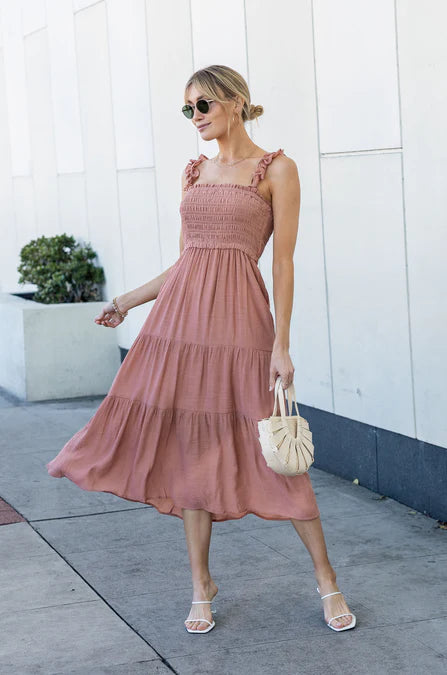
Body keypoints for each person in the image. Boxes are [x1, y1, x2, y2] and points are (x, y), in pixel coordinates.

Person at [46, 64, 355, 635]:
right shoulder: (194, 172)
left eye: (204, 105)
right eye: (188, 109)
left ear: (236, 102)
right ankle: (201, 585)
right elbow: (189, 260)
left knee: (275, 449)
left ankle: (326, 579)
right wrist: (128, 300)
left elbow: (283, 263)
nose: (196, 118)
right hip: (183, 326)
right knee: (190, 447)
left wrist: (282, 345)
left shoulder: (276, 169)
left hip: (242, 326)